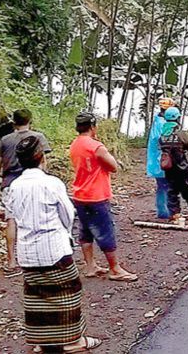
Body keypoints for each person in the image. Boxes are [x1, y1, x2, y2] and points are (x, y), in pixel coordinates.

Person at [5, 136, 102, 352]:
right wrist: (64, 234)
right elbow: (67, 215)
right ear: (41, 158)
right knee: (68, 292)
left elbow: (13, 218)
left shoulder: (14, 187)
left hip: (28, 252)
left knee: (36, 296)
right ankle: (73, 341)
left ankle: (43, 342)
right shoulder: (52, 183)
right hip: (54, 249)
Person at [69, 112, 138, 281]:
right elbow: (113, 166)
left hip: (80, 194)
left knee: (85, 231)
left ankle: (90, 266)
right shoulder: (96, 146)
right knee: (105, 231)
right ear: (93, 127)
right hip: (96, 195)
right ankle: (114, 268)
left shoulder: (75, 144)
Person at [0, 109, 52, 278]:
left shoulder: (5, 140)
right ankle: (36, 259)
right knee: (35, 218)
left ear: (13, 123)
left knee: (11, 220)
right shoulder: (38, 137)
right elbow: (43, 163)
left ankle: (11, 261)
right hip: (32, 182)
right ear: (30, 121)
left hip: (10, 184)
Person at [159, 107, 188, 225]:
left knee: (172, 192)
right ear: (178, 118)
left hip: (169, 169)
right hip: (182, 168)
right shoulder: (181, 134)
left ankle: (175, 216)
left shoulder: (162, 135)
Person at [147, 97, 175, 219]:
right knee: (164, 186)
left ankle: (164, 210)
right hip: (161, 158)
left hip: (157, 159)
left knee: (162, 186)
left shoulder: (158, 121)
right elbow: (162, 140)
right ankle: (164, 212)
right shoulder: (163, 123)